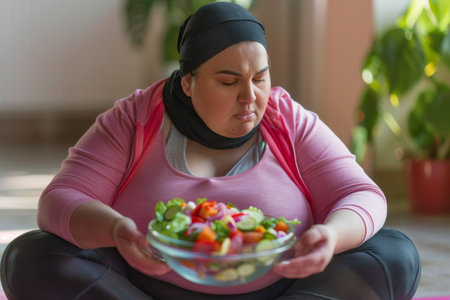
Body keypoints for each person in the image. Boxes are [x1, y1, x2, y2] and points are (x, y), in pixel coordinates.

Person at [1, 2, 421, 299]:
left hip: (285, 288)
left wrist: (330, 236)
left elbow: (362, 195)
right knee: (30, 256)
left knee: (395, 252)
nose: (250, 97)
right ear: (188, 82)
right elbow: (59, 200)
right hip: (146, 289)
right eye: (228, 81)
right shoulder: (136, 117)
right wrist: (116, 230)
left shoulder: (287, 117)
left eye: (260, 78)